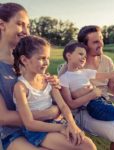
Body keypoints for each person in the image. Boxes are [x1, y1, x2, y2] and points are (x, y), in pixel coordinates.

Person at [0, 3, 95, 150]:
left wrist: (55, 87)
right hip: (12, 133)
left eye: (28, 26)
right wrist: (50, 112)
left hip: (45, 124)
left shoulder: (32, 61)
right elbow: (4, 118)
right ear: (2, 24)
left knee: (86, 146)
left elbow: (50, 96)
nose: (26, 31)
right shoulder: (15, 70)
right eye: (20, 24)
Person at [58, 25, 114, 150]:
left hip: (105, 103)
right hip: (85, 112)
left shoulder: (106, 61)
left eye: (101, 39)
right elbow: (66, 100)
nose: (101, 44)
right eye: (95, 41)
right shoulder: (72, 65)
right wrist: (90, 93)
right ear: (84, 45)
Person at [12, 35, 96, 150]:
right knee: (86, 146)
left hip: (55, 122)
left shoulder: (49, 80)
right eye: (41, 58)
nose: (46, 62)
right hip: (36, 130)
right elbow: (29, 123)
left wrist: (72, 125)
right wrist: (61, 128)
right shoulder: (21, 87)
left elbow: (63, 105)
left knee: (87, 143)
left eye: (48, 58)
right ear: (25, 60)